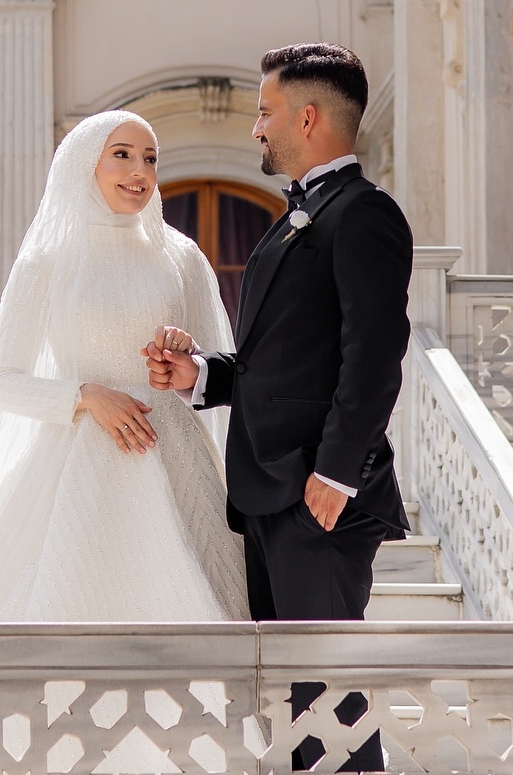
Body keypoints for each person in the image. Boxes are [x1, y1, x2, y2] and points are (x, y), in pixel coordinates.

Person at [0, 109, 248, 623]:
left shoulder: (181, 256)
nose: (140, 171)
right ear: (85, 164)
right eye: (122, 155)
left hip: (173, 455)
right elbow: (2, 381)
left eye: (150, 159)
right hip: (71, 465)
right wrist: (86, 395)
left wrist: (183, 353)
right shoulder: (48, 259)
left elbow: (213, 363)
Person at [144, 42, 413, 622]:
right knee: (284, 697)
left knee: (325, 696)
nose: (256, 129)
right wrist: (203, 375)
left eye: (266, 112)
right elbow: (284, 362)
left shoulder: (363, 213)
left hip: (317, 495)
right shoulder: (296, 216)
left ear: (307, 117)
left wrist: (336, 475)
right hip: (269, 494)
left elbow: (374, 356)